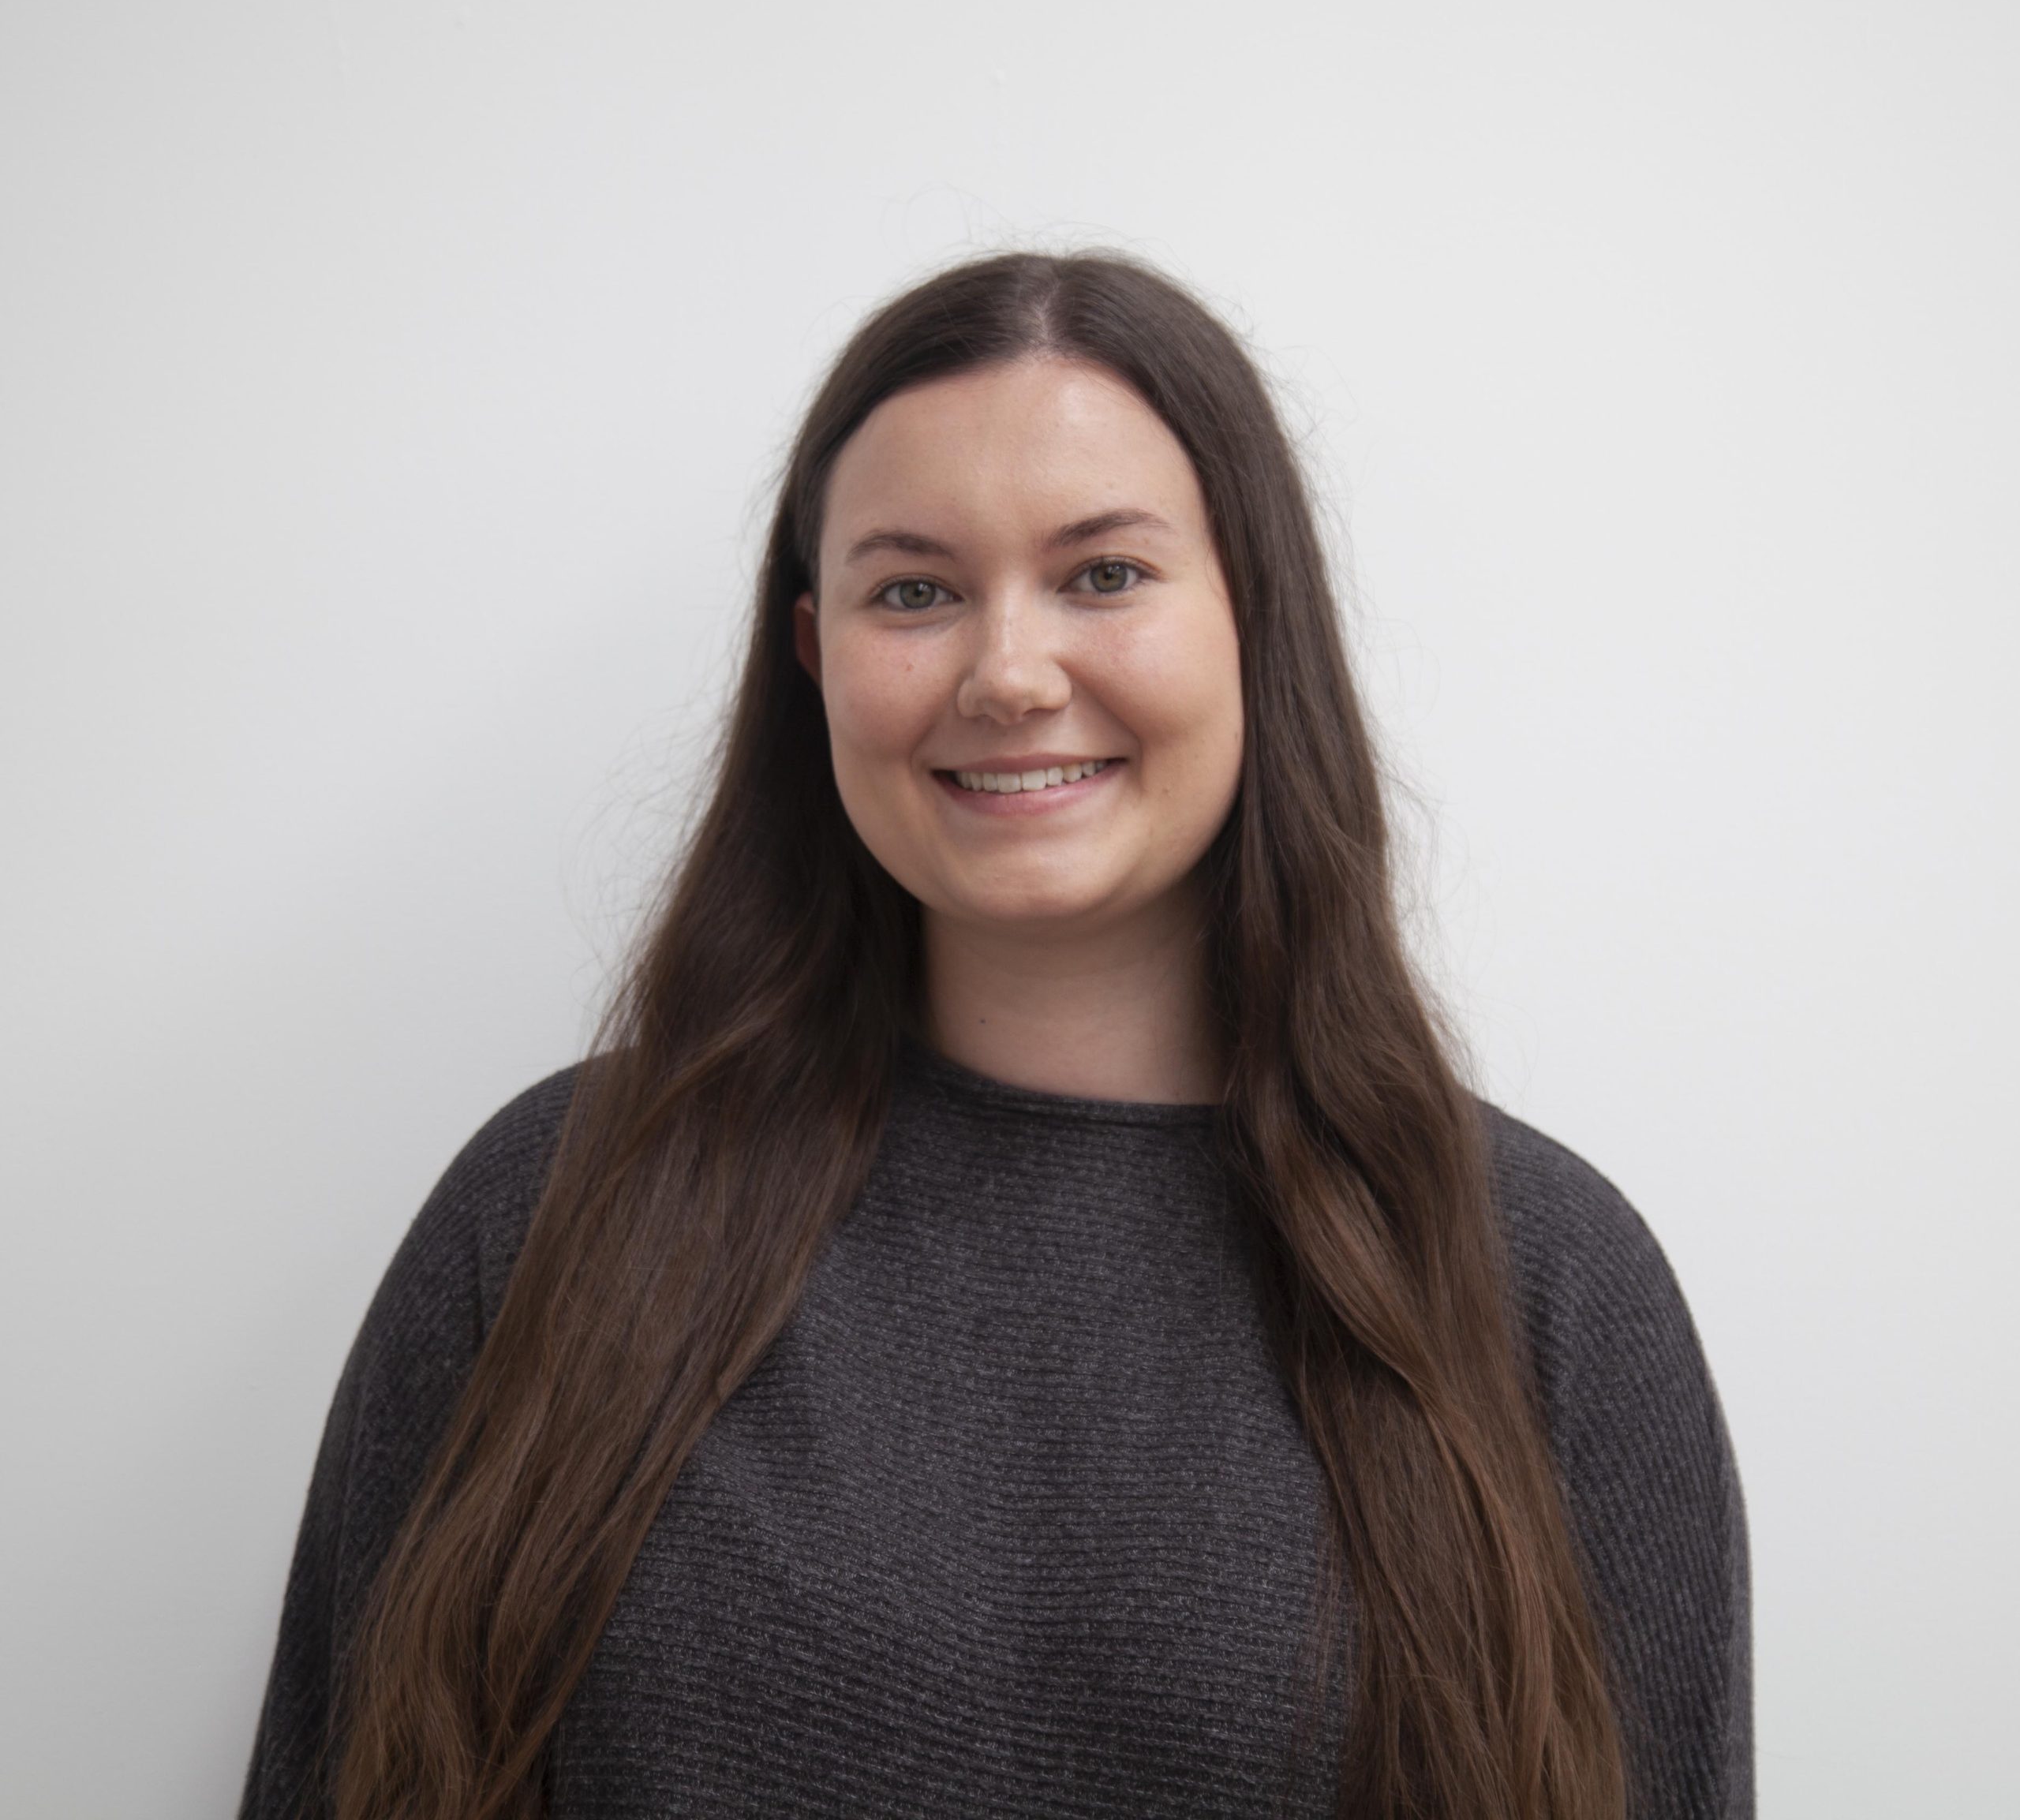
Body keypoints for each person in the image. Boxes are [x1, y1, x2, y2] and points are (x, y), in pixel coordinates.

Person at [237, 250, 1752, 1820]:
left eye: (1102, 573)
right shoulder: (549, 1210)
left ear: (1254, 618)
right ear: (818, 654)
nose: (1008, 671)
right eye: (914, 589)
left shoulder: (1546, 1279)